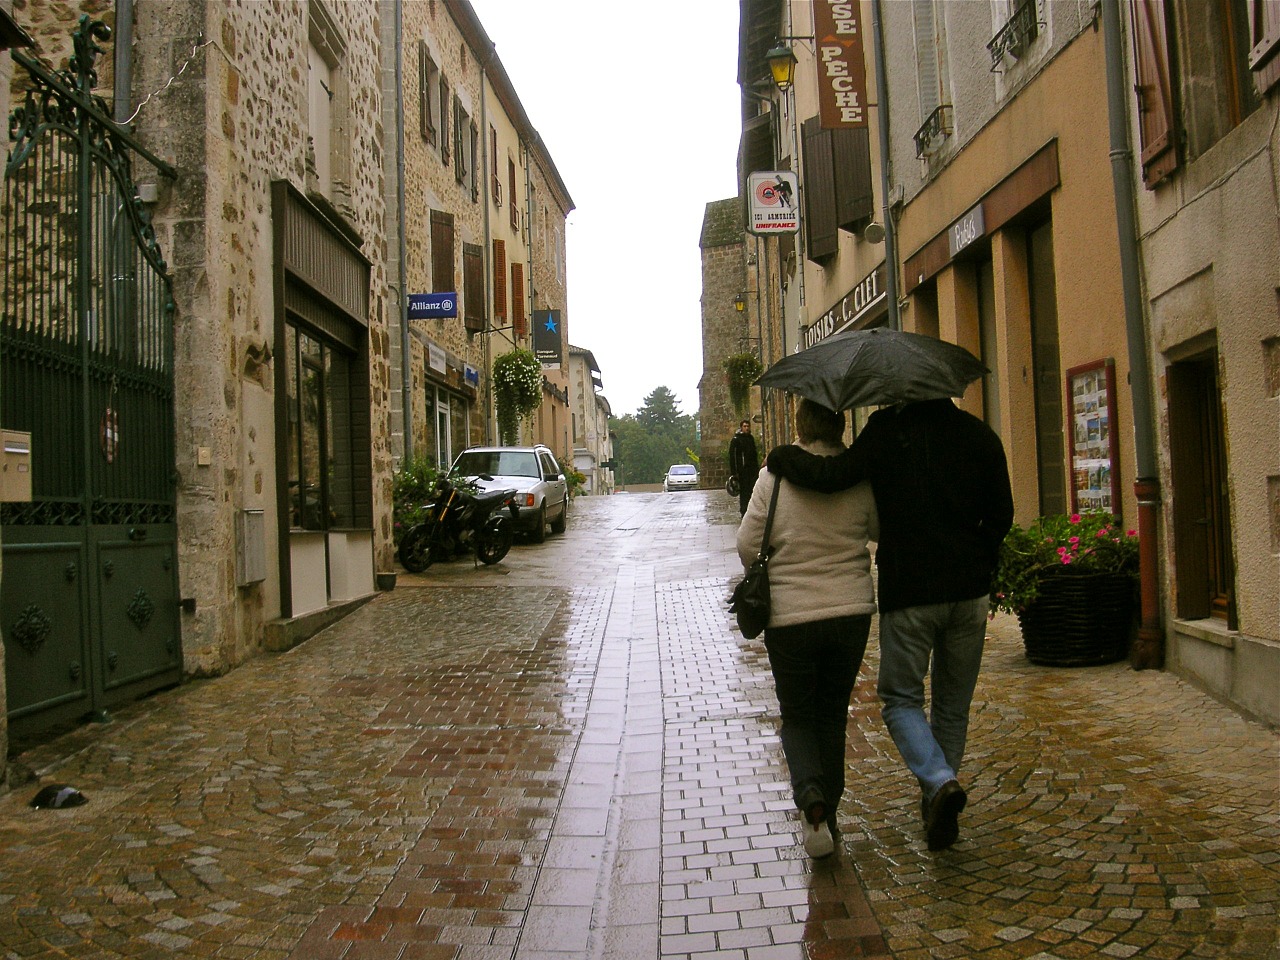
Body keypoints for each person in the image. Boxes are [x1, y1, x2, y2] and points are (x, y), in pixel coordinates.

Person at [766, 398, 1013, 852]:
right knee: (953, 706)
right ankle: (937, 800)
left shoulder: (885, 429)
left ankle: (939, 782)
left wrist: (782, 456)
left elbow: (831, 475)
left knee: (901, 698)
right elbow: (1002, 516)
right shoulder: (980, 435)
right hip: (969, 592)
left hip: (912, 591)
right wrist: (978, 557)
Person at [737, 399, 879, 859]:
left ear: (800, 424)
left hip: (791, 618)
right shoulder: (859, 473)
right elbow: (877, 528)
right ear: (839, 425)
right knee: (832, 715)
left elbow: (746, 544)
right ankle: (828, 816)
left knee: (798, 715)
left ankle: (811, 800)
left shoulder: (774, 477)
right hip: (849, 612)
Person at [727, 419, 759, 516]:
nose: (746, 428)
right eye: (744, 426)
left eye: (748, 426)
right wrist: (734, 472)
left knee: (752, 490)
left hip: (752, 470)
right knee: (744, 491)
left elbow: (754, 454)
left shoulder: (750, 439)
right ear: (741, 427)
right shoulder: (736, 440)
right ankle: (744, 510)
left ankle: (751, 509)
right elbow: (732, 456)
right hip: (742, 470)